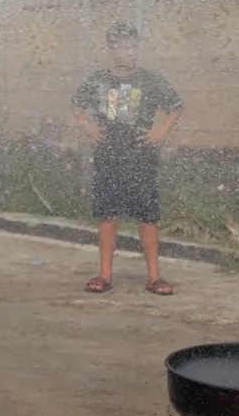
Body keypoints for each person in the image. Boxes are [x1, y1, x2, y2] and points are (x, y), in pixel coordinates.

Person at [72, 22, 184, 297]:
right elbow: (76, 103)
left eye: (134, 47)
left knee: (148, 217)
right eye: (124, 48)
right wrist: (87, 124)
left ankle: (154, 277)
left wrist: (161, 130)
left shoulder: (150, 80)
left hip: (141, 157)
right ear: (111, 49)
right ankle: (105, 274)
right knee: (108, 216)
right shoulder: (98, 80)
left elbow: (177, 107)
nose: (130, 53)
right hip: (108, 156)